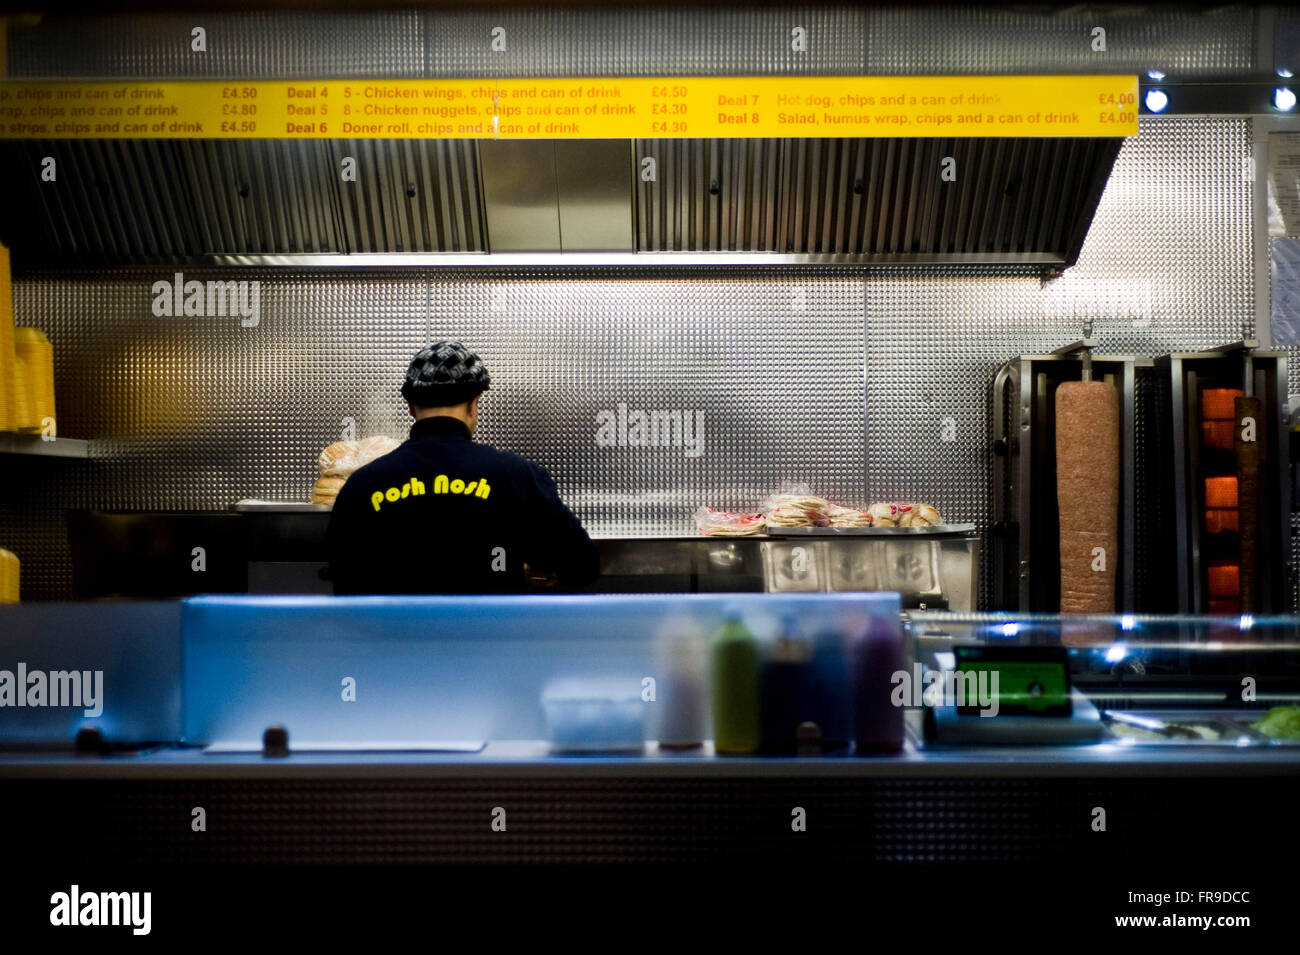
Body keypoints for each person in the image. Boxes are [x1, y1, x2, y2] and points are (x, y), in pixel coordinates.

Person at [325, 341, 599, 595]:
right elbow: (582, 566)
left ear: (410, 407)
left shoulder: (363, 485)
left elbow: (345, 581)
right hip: (491, 644)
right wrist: (515, 570)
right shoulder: (517, 476)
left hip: (395, 644)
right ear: (473, 403)